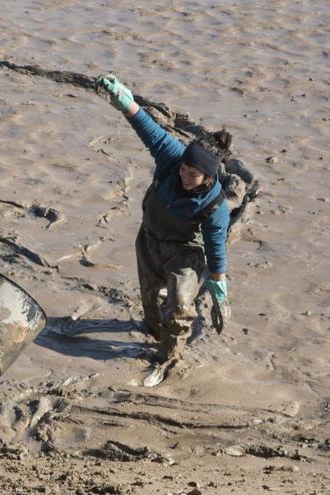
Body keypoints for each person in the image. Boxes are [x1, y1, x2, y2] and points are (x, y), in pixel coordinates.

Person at [97, 74, 232, 365]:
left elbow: (216, 249)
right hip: (149, 240)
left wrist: (219, 290)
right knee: (151, 300)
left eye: (192, 175)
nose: (184, 176)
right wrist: (125, 102)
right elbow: (149, 129)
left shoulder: (215, 206)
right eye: (183, 169)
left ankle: (170, 357)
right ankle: (154, 331)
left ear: (208, 177)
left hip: (185, 254)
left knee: (181, 306)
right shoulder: (172, 159)